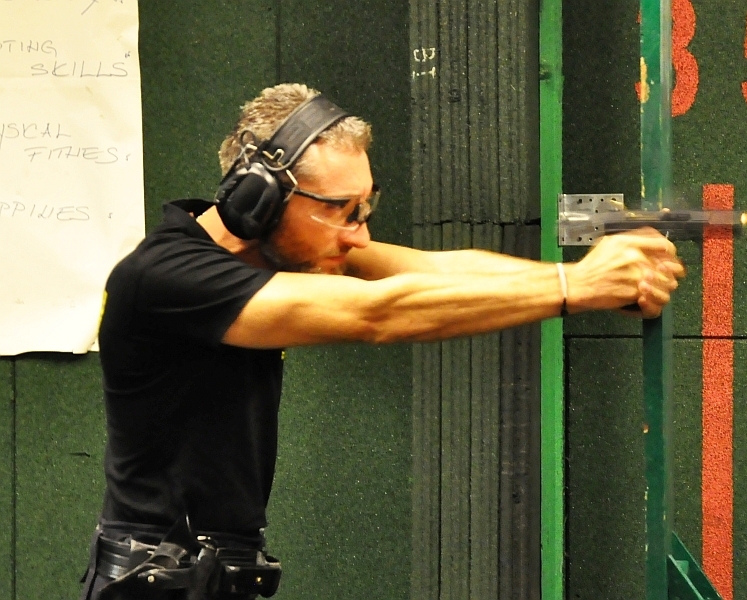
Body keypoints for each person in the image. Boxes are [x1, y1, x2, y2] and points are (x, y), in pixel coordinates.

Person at [79, 83, 685, 600]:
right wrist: (577, 285)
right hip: (156, 581)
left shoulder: (274, 256)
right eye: (343, 211)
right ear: (258, 200)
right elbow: (380, 314)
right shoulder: (166, 278)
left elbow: (435, 271)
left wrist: (591, 282)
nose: (360, 236)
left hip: (213, 576)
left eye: (364, 208)